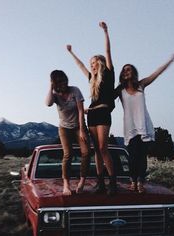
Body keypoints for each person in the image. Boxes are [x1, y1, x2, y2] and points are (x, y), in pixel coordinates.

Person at [114, 54, 174, 193]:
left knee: (142, 157)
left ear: (133, 73)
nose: (126, 71)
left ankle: (140, 183)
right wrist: (90, 110)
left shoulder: (141, 85)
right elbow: (106, 100)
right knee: (132, 157)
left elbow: (157, 73)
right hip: (130, 128)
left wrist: (170, 61)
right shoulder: (120, 90)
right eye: (124, 70)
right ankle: (133, 182)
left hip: (144, 126)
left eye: (129, 69)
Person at [66, 22, 116, 195]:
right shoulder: (91, 79)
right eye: (91, 63)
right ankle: (101, 183)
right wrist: (71, 52)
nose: (92, 65)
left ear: (100, 62)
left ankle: (112, 184)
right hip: (92, 115)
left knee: (103, 148)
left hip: (103, 113)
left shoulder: (109, 74)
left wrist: (106, 32)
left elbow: (108, 51)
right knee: (96, 149)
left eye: (94, 62)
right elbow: (80, 66)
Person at [45, 70, 90, 195]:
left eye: (65, 80)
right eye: (60, 82)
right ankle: (66, 185)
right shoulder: (54, 94)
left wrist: (82, 130)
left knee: (86, 152)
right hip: (64, 128)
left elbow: (81, 111)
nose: (64, 83)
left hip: (78, 126)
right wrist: (50, 86)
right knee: (67, 154)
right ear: (55, 83)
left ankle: (82, 182)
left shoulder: (75, 90)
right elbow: (48, 103)